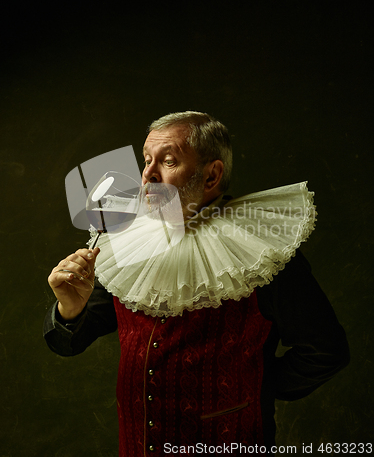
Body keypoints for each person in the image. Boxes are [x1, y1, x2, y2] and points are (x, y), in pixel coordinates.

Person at [44, 111, 349, 456]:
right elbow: (67, 344)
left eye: (168, 161)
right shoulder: (123, 242)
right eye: (146, 161)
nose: (147, 175)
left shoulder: (262, 254)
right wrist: (69, 307)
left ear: (211, 175)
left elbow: (326, 350)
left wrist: (254, 390)